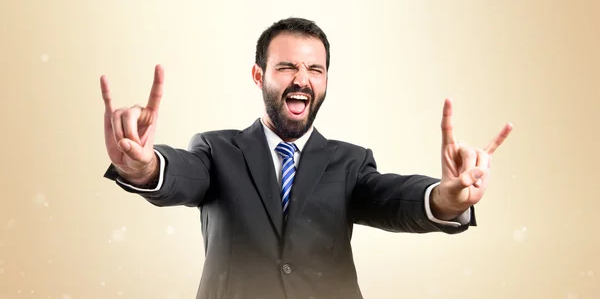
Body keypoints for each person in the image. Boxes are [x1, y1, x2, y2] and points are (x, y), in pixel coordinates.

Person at [100, 17, 512, 299]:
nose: (302, 78)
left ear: (326, 80)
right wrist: (144, 166)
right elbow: (181, 177)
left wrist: (445, 199)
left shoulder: (350, 163)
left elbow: (393, 200)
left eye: (315, 69)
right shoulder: (216, 151)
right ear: (259, 76)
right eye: (287, 67)